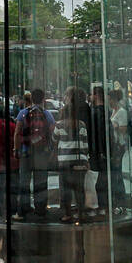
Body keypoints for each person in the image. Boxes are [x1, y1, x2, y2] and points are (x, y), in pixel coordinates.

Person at [14, 88, 54, 219]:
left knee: (24, 180)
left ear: (31, 99)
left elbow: (17, 133)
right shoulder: (47, 114)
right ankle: (40, 208)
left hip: (26, 152)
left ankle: (24, 208)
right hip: (42, 153)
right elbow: (53, 133)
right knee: (41, 180)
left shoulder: (23, 113)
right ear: (43, 99)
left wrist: (16, 149)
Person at [54, 88, 90, 224]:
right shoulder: (82, 124)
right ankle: (81, 214)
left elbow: (54, 139)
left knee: (65, 189)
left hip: (65, 161)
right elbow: (85, 145)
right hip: (80, 161)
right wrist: (87, 159)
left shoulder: (59, 125)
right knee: (80, 189)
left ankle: (67, 214)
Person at [0, 106, 18, 219]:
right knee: (12, 187)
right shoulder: (12, 126)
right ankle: (12, 209)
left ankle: (2, 210)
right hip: (12, 162)